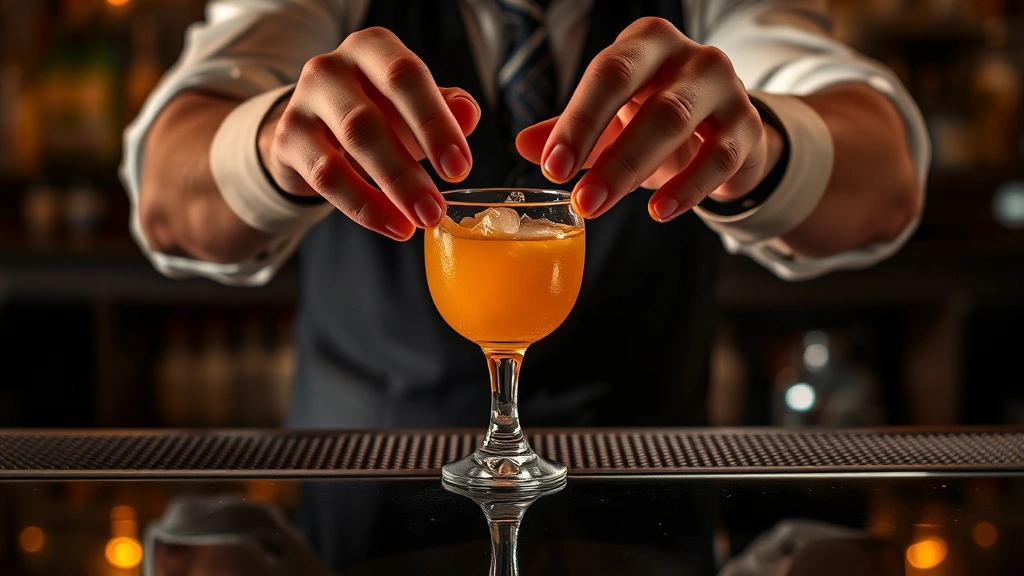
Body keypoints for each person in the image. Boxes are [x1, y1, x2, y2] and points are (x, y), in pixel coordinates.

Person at [123, 0, 928, 430]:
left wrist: (765, 146)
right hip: (366, 492)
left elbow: (885, 181)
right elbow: (167, 197)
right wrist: (272, 144)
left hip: (644, 492)